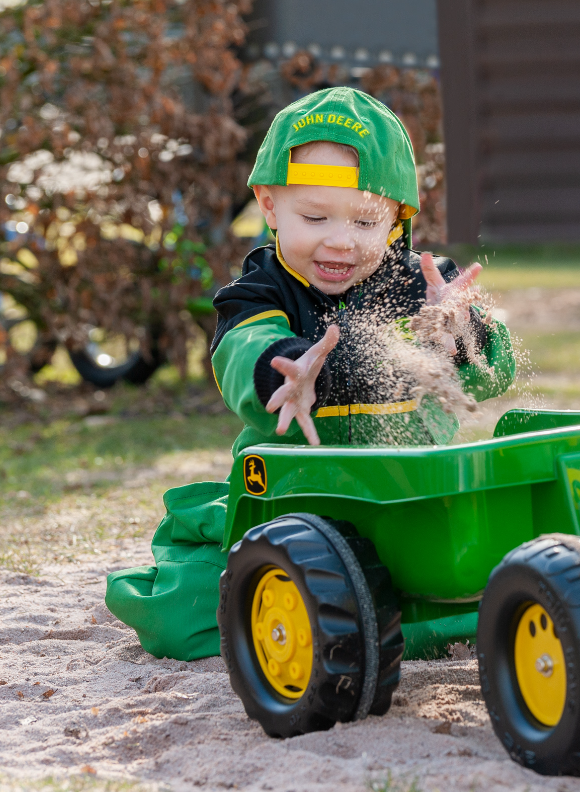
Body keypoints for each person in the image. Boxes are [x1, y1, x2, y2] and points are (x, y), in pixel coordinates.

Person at [104, 87, 516, 660]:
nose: (340, 240)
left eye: (366, 221)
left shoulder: (424, 288)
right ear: (270, 207)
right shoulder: (259, 293)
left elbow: (492, 375)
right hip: (294, 511)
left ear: (399, 219)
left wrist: (462, 337)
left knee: (482, 575)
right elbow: (244, 354)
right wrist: (286, 373)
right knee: (183, 617)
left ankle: (397, 617)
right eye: (314, 216)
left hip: (407, 506)